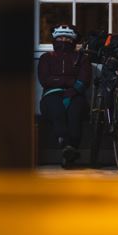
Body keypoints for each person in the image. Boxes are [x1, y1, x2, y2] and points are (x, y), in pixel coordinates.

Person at [38, 24, 92, 168]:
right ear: (55, 39)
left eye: (67, 38)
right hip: (51, 95)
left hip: (76, 94)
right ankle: (67, 147)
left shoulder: (82, 58)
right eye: (60, 38)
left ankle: (70, 149)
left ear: (73, 40)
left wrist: (72, 90)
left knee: (75, 111)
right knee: (57, 110)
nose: (63, 41)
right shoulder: (46, 58)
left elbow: (85, 79)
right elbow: (45, 80)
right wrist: (68, 81)